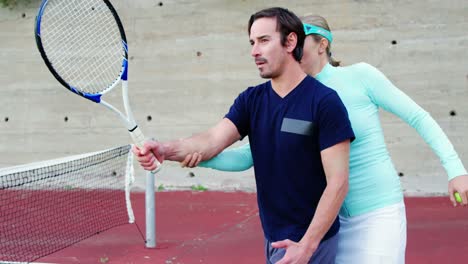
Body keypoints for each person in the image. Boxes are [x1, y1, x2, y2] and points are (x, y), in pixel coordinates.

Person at [181, 15, 468, 264]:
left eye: (302, 41)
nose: (293, 48)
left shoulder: (361, 77)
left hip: (377, 213)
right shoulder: (297, 96)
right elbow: (251, 155)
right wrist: (195, 157)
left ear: (323, 44)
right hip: (329, 222)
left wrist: (455, 170)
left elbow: (419, 117)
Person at [133, 8, 355, 264]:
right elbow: (211, 140)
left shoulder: (324, 102)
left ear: (290, 41)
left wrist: (306, 246)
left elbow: (338, 182)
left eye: (264, 40)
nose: (254, 51)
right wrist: (164, 150)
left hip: (310, 243)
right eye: (252, 42)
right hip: (274, 236)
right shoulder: (251, 100)